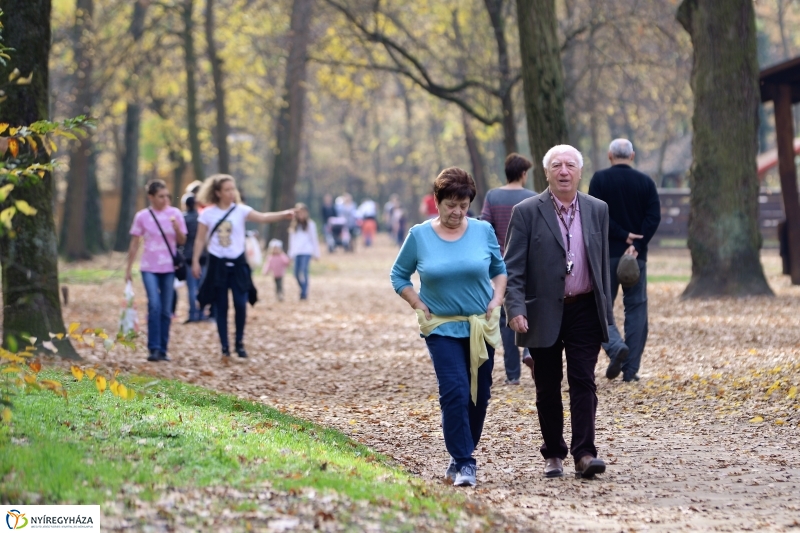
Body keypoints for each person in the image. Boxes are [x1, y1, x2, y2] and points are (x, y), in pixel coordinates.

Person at [391, 167, 507, 488]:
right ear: (437, 201)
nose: (457, 212)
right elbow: (398, 276)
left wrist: (497, 297)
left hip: (480, 326)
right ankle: (466, 460)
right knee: (454, 390)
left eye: (463, 205)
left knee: (479, 395)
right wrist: (417, 302)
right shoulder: (419, 235)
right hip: (440, 326)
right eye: (450, 204)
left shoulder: (483, 231)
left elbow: (499, 270)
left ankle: (460, 455)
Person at [504, 145, 614, 479]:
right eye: (556, 166)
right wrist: (516, 308)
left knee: (583, 380)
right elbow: (513, 267)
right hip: (542, 311)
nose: (563, 171)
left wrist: (606, 310)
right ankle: (553, 453)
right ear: (546, 173)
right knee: (547, 385)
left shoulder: (598, 209)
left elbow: (601, 264)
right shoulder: (526, 211)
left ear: (580, 172)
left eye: (570, 165)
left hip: (584, 308)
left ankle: (584, 453)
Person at [191, 174, 294, 358]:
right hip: (217, 265)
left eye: (233, 189)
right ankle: (225, 346)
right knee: (221, 307)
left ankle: (239, 342)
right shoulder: (207, 214)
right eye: (227, 190)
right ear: (217, 192)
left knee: (240, 303)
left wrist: (283, 215)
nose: (232, 193)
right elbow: (199, 240)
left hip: (238, 264)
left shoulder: (240, 210)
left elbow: (262, 217)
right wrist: (196, 261)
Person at [588, 139, 661, 382]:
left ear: (610, 155)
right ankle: (630, 370)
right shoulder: (646, 182)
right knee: (637, 309)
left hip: (607, 255)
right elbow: (653, 217)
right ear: (632, 156)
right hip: (636, 259)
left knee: (600, 307)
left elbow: (596, 214)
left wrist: (621, 236)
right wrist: (637, 244)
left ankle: (615, 346)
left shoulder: (599, 180)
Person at [480, 153, 536, 385]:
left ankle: (512, 374)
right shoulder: (533, 198)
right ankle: (530, 351)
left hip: (501, 264)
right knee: (530, 309)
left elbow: (485, 228)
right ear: (523, 174)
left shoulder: (493, 196)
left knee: (506, 317)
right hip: (529, 262)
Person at [125, 179, 187, 362]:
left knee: (166, 310)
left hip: (169, 268)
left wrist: (176, 228)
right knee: (154, 305)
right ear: (150, 197)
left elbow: (182, 241)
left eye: (167, 195)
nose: (165, 199)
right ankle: (153, 348)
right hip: (149, 268)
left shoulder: (175, 213)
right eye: (161, 196)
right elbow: (134, 244)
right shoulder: (142, 216)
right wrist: (128, 269)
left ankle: (163, 349)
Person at [288, 203, 321, 300]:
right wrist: (290, 254)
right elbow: (292, 241)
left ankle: (304, 293)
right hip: (297, 252)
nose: (301, 215)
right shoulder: (294, 226)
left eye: (303, 213)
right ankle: (303, 288)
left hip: (306, 252)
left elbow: (314, 239)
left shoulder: (311, 225)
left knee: (304, 271)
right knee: (296, 274)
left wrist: (316, 253)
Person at [181, 196, 204, 322]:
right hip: (203, 256)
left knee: (191, 288)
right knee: (201, 286)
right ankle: (201, 313)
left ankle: (192, 314)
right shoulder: (202, 217)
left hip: (189, 256)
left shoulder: (183, 218)